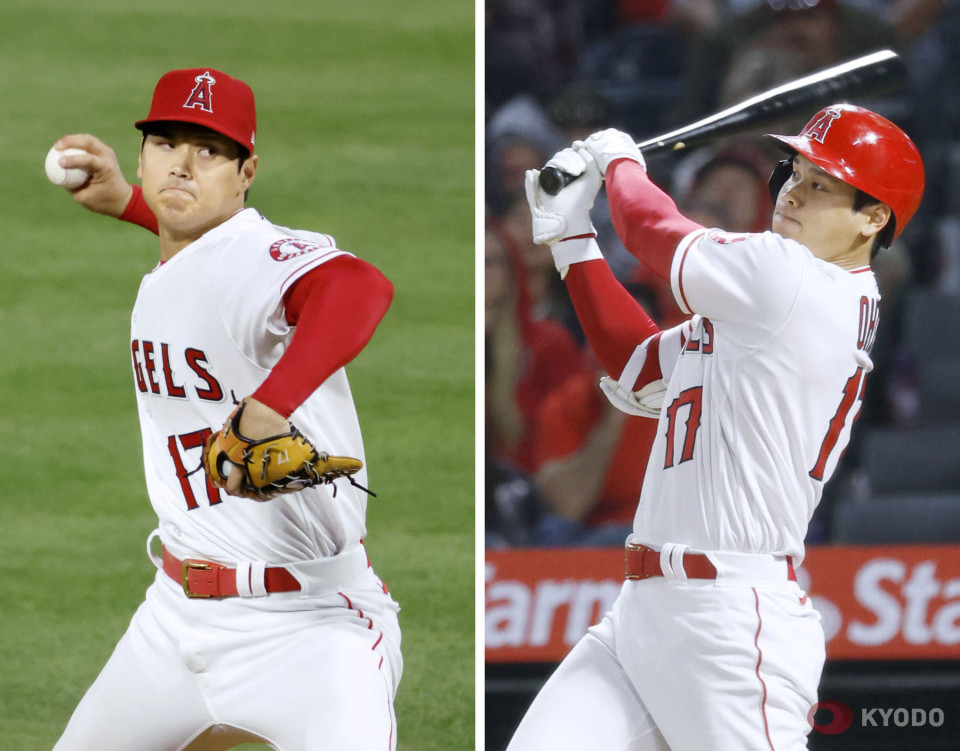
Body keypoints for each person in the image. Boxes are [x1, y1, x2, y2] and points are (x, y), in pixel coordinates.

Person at [513, 102, 924, 749]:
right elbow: (640, 366)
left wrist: (618, 160)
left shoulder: (796, 282)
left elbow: (654, 229)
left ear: (872, 218)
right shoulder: (769, 300)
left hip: (733, 622)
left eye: (822, 186)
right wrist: (571, 239)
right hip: (641, 613)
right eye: (796, 172)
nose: (794, 192)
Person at [50, 68, 402, 751]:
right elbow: (196, 255)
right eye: (166, 142)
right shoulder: (193, 255)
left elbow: (359, 286)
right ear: (144, 153)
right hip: (172, 619)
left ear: (247, 171)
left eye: (209, 150)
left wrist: (268, 407)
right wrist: (128, 201)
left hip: (309, 626)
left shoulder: (258, 255)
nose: (182, 164)